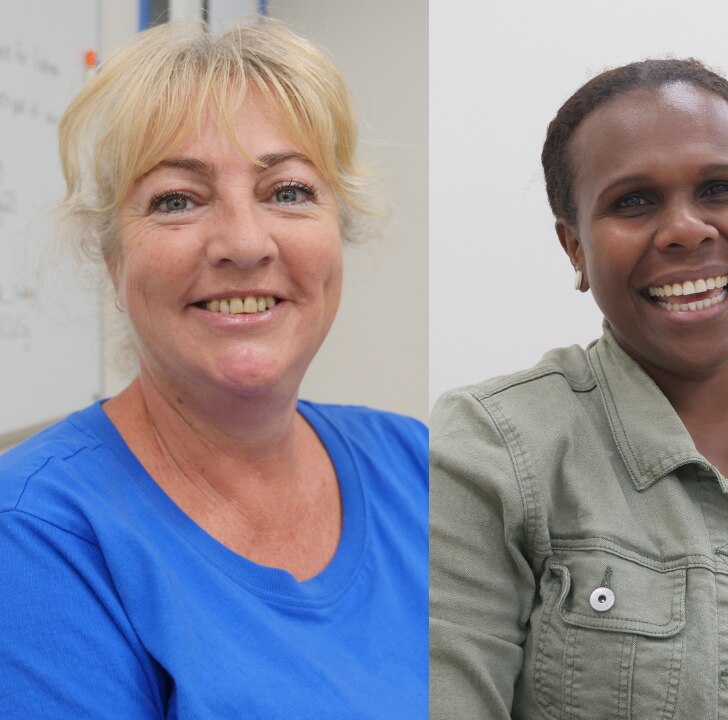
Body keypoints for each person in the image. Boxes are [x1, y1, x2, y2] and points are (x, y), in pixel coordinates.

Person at [0, 21, 428, 716]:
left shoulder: (421, 467)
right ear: (113, 260)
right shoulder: (35, 536)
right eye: (177, 199)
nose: (244, 242)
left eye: (287, 191)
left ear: (336, 235)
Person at [429, 59, 728, 719]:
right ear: (574, 247)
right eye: (633, 201)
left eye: (720, 189)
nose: (688, 229)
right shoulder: (489, 456)